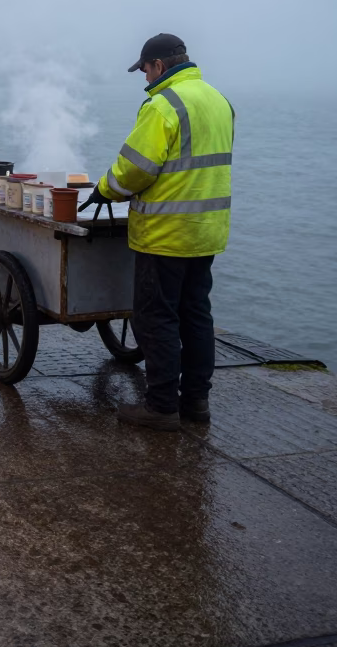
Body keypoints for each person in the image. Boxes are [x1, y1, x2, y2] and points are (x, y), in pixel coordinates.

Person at [85, 33, 233, 431]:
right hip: (207, 231)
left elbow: (136, 168)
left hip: (166, 232)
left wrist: (104, 189)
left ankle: (162, 406)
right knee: (196, 317)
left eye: (145, 69)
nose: (144, 78)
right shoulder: (219, 101)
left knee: (157, 318)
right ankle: (196, 403)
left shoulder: (163, 105)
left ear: (160, 66)